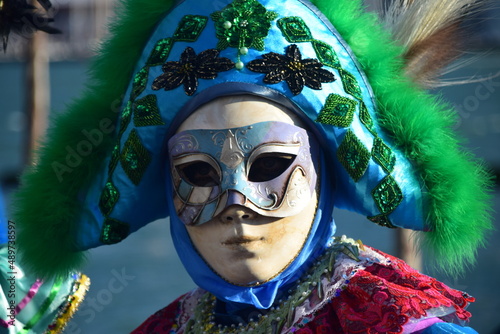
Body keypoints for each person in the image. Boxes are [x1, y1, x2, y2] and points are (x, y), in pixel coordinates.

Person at [11, 0, 492, 332]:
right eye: (198, 174)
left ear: (324, 171)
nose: (236, 207)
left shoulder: (391, 323)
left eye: (270, 164)